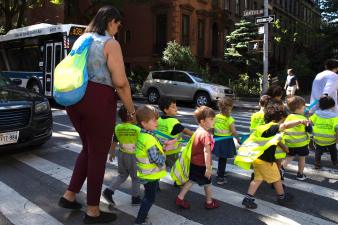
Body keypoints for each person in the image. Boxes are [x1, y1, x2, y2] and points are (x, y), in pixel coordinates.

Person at [58, 6, 135, 224]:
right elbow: (120, 82)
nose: (117, 30)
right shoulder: (110, 43)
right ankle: (93, 210)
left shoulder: (82, 39)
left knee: (89, 149)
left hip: (74, 99)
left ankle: (69, 195)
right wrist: (131, 110)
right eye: (117, 25)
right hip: (98, 99)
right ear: (111, 20)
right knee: (98, 154)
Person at [236, 99, 309, 209]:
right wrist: (300, 121)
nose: (283, 122)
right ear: (279, 118)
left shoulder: (263, 127)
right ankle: (281, 197)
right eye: (283, 119)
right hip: (266, 161)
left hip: (257, 159)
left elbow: (277, 139)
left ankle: (248, 198)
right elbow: (285, 126)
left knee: (257, 179)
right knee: (277, 178)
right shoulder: (273, 127)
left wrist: (284, 148)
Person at [175, 106, 220, 210]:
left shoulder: (198, 131)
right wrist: (208, 168)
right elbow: (207, 152)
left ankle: (180, 198)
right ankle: (209, 202)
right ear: (203, 121)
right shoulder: (205, 135)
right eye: (212, 119)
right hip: (202, 165)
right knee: (208, 184)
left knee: (191, 180)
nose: (214, 121)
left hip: (194, 162)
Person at [134, 105, 167, 225]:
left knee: (147, 196)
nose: (157, 122)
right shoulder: (149, 139)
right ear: (143, 123)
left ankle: (142, 216)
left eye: (157, 119)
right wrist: (164, 157)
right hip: (150, 175)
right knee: (149, 199)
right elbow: (155, 158)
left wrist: (162, 145)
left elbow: (154, 145)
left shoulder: (143, 135)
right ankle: (140, 220)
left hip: (144, 173)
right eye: (154, 120)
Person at [102, 106, 141, 206]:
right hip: (133, 156)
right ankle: (136, 198)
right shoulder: (137, 129)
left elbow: (114, 141)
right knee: (136, 178)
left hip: (121, 154)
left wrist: (111, 152)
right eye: (135, 114)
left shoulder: (118, 127)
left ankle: (109, 191)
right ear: (130, 116)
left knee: (122, 175)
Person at [281, 96, 312, 180]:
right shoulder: (304, 119)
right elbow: (309, 131)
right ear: (299, 108)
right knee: (302, 159)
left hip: (290, 143)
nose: (304, 109)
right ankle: (300, 174)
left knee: (289, 157)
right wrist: (309, 124)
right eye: (303, 107)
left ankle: (281, 168)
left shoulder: (288, 117)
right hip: (302, 144)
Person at [157, 97, 193, 168]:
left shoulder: (159, 119)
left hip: (161, 151)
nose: (176, 108)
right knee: (176, 170)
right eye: (173, 107)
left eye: (176, 106)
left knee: (161, 168)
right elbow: (184, 130)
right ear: (166, 110)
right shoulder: (173, 122)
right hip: (172, 152)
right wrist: (195, 135)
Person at [213, 97, 239, 185]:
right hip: (225, 141)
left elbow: (212, 128)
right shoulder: (229, 119)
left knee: (221, 158)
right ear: (230, 107)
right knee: (223, 159)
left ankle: (220, 172)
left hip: (217, 140)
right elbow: (233, 131)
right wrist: (238, 139)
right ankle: (220, 177)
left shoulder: (216, 117)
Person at [310, 96, 338, 169]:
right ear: (333, 105)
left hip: (318, 138)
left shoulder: (316, 114)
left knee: (318, 150)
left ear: (320, 105)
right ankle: (335, 161)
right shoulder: (335, 116)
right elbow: (337, 128)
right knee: (333, 150)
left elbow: (309, 122)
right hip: (331, 139)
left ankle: (317, 163)